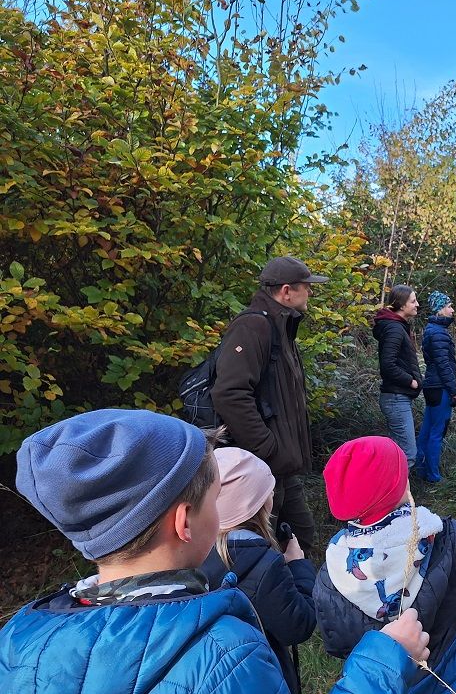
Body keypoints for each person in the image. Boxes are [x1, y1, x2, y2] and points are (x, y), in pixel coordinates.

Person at [0, 409, 430, 694]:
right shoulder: (227, 653)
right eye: (215, 494)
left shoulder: (19, 639)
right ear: (185, 522)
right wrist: (383, 662)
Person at [314, 436, 456, 694]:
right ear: (401, 486)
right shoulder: (445, 541)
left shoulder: (331, 572)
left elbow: (338, 646)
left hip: (388, 685)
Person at [211, 255, 323, 555]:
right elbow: (229, 393)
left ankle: (296, 592)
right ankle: (263, 598)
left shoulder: (280, 325)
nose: (310, 292)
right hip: (264, 463)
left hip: (281, 464)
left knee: (302, 536)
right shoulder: (253, 326)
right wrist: (266, 448)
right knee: (260, 548)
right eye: (306, 287)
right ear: (286, 291)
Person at [201, 446, 316, 694]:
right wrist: (297, 565)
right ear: (258, 504)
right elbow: (298, 625)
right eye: (269, 491)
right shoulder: (264, 563)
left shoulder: (191, 554)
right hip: (264, 674)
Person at [373, 284, 423, 469]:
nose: (417, 304)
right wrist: (410, 381)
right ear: (401, 305)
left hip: (397, 397)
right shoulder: (394, 329)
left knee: (398, 453)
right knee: (408, 454)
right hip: (396, 398)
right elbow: (387, 366)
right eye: (413, 301)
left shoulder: (397, 326)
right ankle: (397, 497)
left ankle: (390, 495)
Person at [416, 291, 456, 483]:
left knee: (427, 429)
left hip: (432, 386)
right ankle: (433, 476)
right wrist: (453, 389)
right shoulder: (438, 333)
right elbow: (443, 365)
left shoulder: (431, 330)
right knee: (437, 431)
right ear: (440, 310)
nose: (452, 309)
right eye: (449, 306)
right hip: (439, 387)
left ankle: (420, 470)